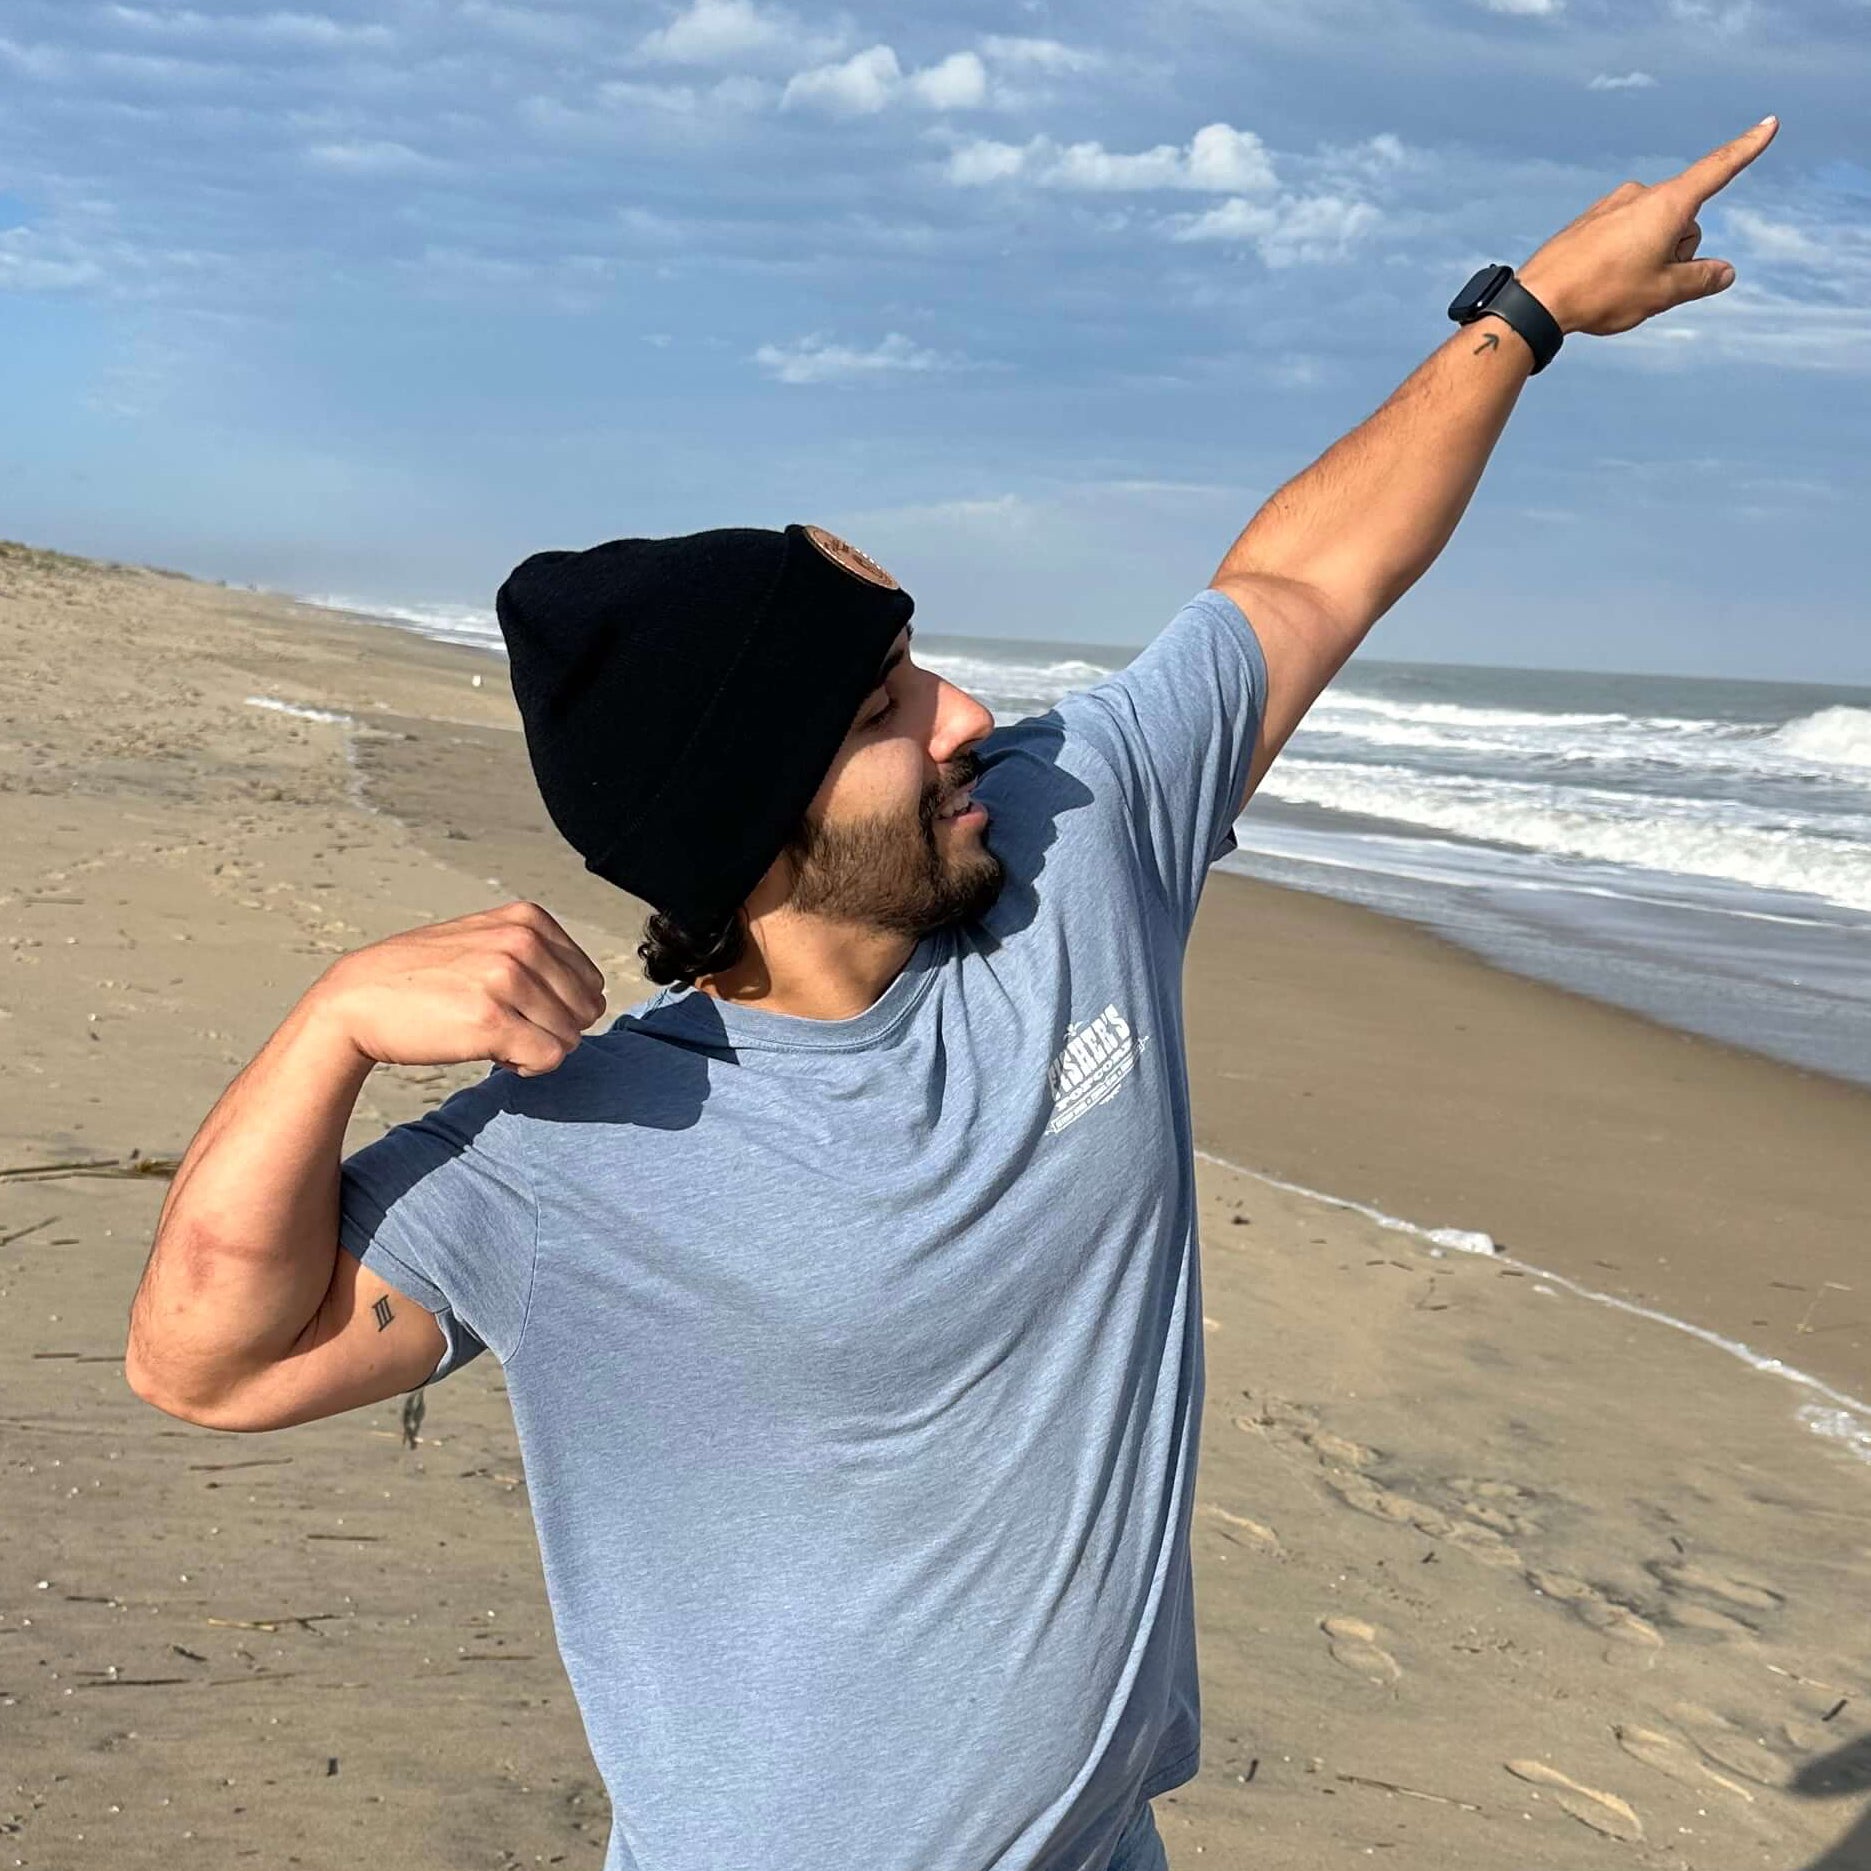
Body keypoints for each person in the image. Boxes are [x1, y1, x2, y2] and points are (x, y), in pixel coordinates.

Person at [125, 117, 1777, 1871]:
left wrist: (1525, 312)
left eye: (915, 669)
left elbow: (1299, 577)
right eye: (880, 716)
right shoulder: (570, 1150)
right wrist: (328, 1030)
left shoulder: (1075, 840)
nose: (967, 715)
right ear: (743, 826)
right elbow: (209, 1366)